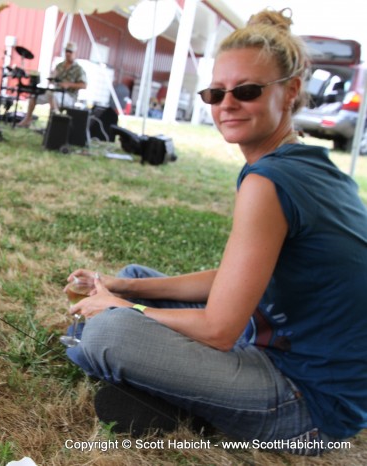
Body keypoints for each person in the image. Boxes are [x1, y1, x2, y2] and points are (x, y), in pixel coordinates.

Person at [65, 8, 367, 456]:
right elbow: (231, 277)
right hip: (283, 347)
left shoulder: (268, 181)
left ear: (290, 93)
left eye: (246, 91)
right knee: (131, 277)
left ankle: (143, 382)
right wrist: (123, 284)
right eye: (215, 92)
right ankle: (130, 361)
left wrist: (121, 306)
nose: (227, 103)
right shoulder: (307, 166)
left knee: (108, 335)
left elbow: (220, 328)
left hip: (309, 407)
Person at [17, 41, 87, 128]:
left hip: (69, 96)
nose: (68, 54)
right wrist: (52, 78)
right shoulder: (60, 66)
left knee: (52, 96)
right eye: (66, 51)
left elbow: (84, 85)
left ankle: (55, 123)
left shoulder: (78, 69)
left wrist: (69, 84)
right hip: (55, 92)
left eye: (70, 52)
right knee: (34, 96)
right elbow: (53, 77)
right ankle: (28, 119)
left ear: (75, 53)